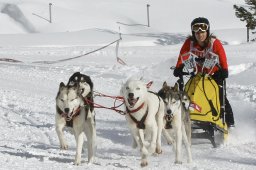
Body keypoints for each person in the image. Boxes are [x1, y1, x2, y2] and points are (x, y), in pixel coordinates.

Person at [173, 17, 235, 127]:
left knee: (220, 95)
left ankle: (229, 122)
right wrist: (179, 67)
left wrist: (224, 70)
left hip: (214, 73)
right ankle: (188, 115)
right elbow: (182, 54)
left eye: (202, 32)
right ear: (193, 33)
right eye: (196, 32)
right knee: (189, 91)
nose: (200, 35)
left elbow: (222, 57)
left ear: (207, 32)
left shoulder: (214, 43)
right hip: (197, 73)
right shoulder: (189, 42)